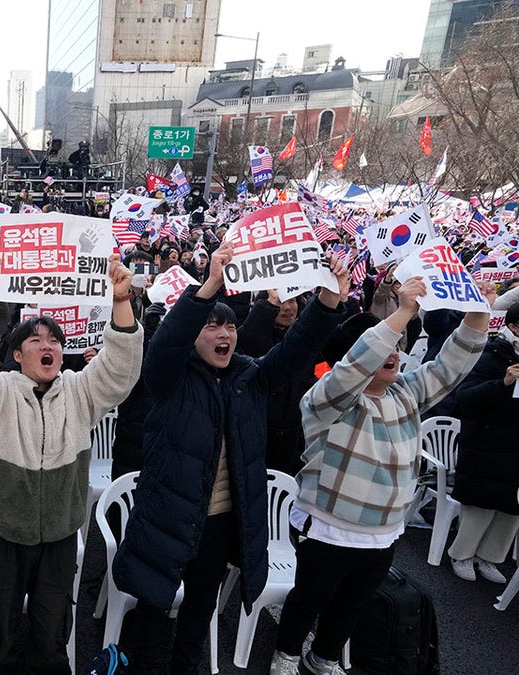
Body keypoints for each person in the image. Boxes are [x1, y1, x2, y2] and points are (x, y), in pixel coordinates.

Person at [113, 241, 349, 675]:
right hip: (166, 518)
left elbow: (296, 348)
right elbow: (166, 342)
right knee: (152, 614)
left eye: (229, 328)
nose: (224, 335)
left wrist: (329, 299)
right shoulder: (169, 377)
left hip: (220, 524)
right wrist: (210, 286)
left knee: (199, 612)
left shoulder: (249, 376)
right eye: (211, 327)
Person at [270, 278, 491, 675]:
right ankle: (286, 653)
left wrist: (478, 311)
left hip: (383, 530)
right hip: (329, 526)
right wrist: (403, 311)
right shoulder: (327, 398)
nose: (392, 352)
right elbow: (356, 364)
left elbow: (451, 366)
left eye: (397, 346)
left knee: (354, 601)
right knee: (310, 598)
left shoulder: (406, 392)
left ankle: (323, 657)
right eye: (383, 346)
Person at [0, 251, 143, 675]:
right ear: (17, 354)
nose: (47, 345)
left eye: (54, 340)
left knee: (51, 635)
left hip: (58, 536)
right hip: (1, 535)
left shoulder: (79, 392)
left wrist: (122, 297)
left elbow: (121, 370)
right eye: (35, 340)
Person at [445, 304, 519, 583]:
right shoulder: (493, 354)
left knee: (511, 509)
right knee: (482, 504)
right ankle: (462, 554)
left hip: (514, 446)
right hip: (487, 443)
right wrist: (503, 382)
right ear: (513, 327)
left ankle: (489, 558)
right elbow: (465, 397)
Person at [237, 290, 316, 475]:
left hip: (294, 435)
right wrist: (267, 306)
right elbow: (248, 338)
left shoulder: (304, 341)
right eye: (280, 302)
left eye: (292, 300)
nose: (288, 308)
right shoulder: (253, 337)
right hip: (256, 435)